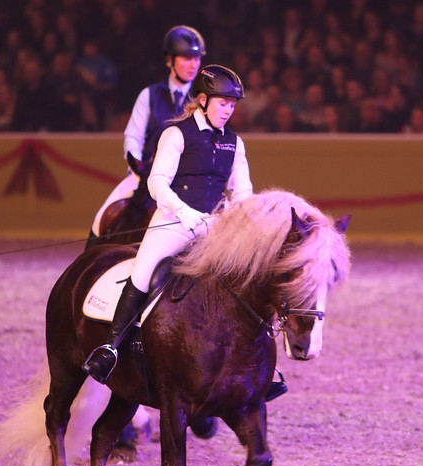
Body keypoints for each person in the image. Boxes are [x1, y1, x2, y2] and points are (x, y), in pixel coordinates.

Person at [83, 65, 292, 400]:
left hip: (214, 229)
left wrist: (236, 220)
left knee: (248, 278)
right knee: (144, 271)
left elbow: (242, 193)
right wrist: (185, 212)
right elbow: (156, 182)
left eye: (233, 105)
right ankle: (111, 348)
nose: (228, 110)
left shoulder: (234, 144)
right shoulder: (177, 134)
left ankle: (256, 363)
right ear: (204, 100)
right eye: (223, 103)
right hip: (173, 222)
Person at [90, 25, 205, 236]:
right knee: (101, 219)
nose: (193, 65)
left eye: (197, 59)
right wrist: (139, 170)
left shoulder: (203, 100)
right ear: (170, 60)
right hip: (145, 177)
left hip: (187, 180)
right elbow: (133, 137)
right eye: (187, 58)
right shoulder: (149, 95)